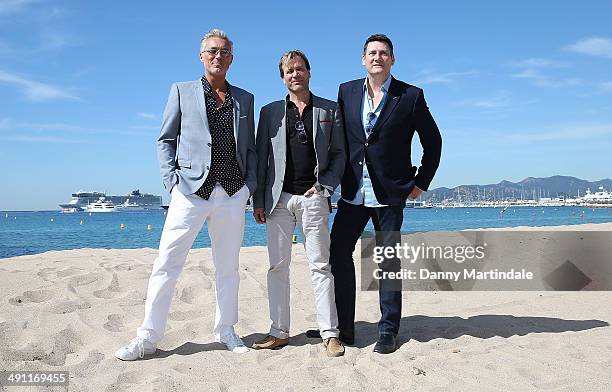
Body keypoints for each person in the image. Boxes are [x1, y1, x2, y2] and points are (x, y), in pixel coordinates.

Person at [115, 28, 257, 360]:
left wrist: (248, 186)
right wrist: (171, 181)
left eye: (224, 52)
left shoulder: (245, 98)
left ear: (231, 58)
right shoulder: (181, 91)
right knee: (166, 262)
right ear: (201, 55)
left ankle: (227, 331)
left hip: (233, 193)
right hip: (190, 191)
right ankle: (148, 336)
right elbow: (165, 139)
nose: (218, 56)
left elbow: (249, 149)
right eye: (212, 51)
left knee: (228, 267)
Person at [329, 34, 442, 354]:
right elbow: (337, 140)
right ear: (363, 60)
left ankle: (389, 331)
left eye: (383, 53)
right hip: (352, 192)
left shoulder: (411, 95)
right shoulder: (346, 92)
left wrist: (421, 182)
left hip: (391, 193)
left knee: (388, 262)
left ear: (392, 60)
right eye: (372, 53)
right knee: (337, 255)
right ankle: (345, 329)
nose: (377, 57)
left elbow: (433, 142)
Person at [252, 50, 346, 357]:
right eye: (289, 71)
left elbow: (340, 155)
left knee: (320, 266)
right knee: (277, 266)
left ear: (309, 72)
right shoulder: (269, 113)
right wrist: (259, 199)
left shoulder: (330, 109)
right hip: (278, 199)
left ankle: (329, 333)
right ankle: (279, 332)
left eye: (300, 69)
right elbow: (261, 159)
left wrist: (324, 187)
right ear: (282, 77)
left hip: (313, 197)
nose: (295, 74)